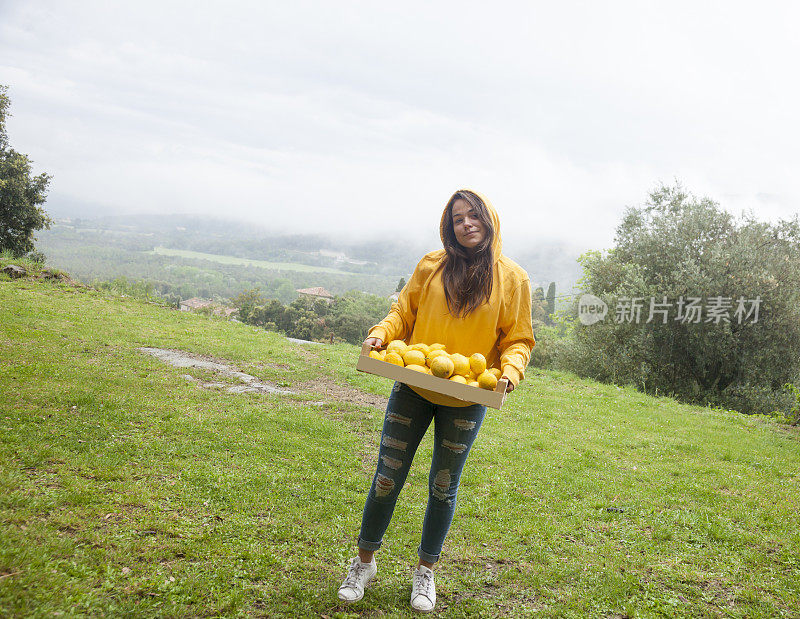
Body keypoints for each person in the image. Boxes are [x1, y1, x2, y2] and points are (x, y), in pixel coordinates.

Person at [338, 189, 535, 612]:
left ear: (489, 219)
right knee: (386, 477)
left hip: (466, 398)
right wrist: (381, 333)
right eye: (457, 218)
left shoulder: (513, 279)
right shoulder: (431, 266)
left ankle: (425, 571)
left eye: (473, 215)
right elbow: (402, 314)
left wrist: (511, 371)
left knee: (443, 488)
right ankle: (364, 562)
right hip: (413, 385)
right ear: (449, 226)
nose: (466, 224)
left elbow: (517, 340)